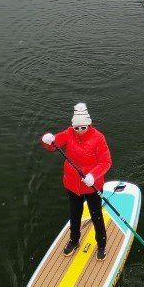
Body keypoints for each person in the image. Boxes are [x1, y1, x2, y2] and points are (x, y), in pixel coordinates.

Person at [40, 103, 111, 261]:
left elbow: (106, 162)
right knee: (74, 214)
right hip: (72, 185)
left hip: (92, 186)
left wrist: (93, 175)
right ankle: (74, 240)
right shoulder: (69, 133)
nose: (79, 131)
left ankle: (101, 244)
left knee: (96, 216)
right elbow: (53, 145)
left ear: (89, 124)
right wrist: (48, 140)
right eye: (77, 127)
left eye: (83, 127)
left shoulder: (98, 138)